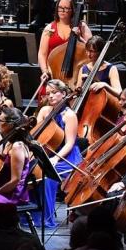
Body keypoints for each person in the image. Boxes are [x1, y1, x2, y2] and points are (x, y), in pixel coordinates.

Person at [32, 79, 81, 228]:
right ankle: (32, 213)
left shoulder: (70, 115)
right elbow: (37, 137)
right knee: (29, 171)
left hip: (67, 158)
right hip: (48, 153)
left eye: (54, 92)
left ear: (64, 94)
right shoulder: (44, 111)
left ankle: (46, 219)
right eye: (48, 94)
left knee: (47, 176)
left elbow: (69, 143)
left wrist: (55, 158)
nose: (50, 96)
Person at [38, 0, 91, 72]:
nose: (62, 10)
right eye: (60, 8)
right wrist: (45, 71)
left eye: (66, 8)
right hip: (53, 73)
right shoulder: (49, 28)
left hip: (76, 72)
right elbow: (42, 54)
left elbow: (93, 50)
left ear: (72, 10)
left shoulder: (82, 27)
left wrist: (80, 38)